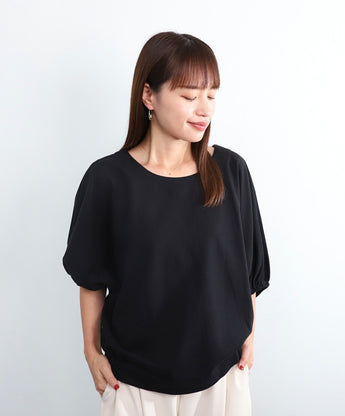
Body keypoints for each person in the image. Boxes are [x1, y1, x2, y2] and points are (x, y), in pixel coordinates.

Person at [62, 31, 270, 416]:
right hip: (133, 384)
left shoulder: (231, 171)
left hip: (222, 379)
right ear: (149, 96)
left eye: (212, 96)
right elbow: (90, 278)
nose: (204, 109)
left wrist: (249, 338)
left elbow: (248, 273)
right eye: (190, 96)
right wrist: (91, 352)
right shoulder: (107, 180)